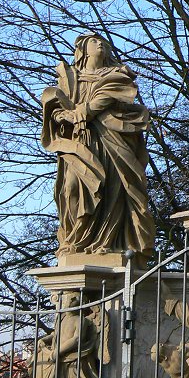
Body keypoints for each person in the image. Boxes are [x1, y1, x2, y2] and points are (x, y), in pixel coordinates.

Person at [41, 33, 155, 258]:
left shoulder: (117, 74)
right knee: (71, 188)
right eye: (94, 41)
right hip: (80, 143)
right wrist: (61, 115)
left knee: (113, 189)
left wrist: (82, 112)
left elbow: (107, 97)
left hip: (111, 140)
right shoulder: (70, 77)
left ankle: (109, 243)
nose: (100, 44)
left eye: (103, 42)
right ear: (83, 49)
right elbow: (53, 107)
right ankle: (76, 240)